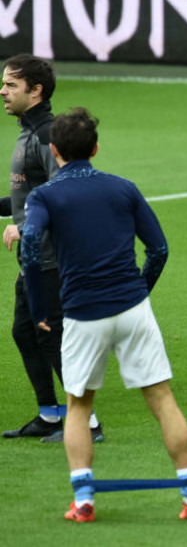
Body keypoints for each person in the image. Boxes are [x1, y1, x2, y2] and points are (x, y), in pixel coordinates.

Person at [20, 108, 187, 522]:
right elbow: (158, 250)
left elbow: (30, 248)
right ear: (96, 148)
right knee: (162, 399)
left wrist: (38, 309)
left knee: (79, 406)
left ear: (54, 150)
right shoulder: (123, 188)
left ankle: (84, 501)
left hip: (83, 314)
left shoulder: (45, 195)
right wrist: (138, 292)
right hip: (132, 308)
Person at [1, 53, 104, 443]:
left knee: (53, 338)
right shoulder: (28, 132)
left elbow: (66, 191)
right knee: (25, 334)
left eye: (11, 84)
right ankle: (49, 414)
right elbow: (27, 195)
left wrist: (24, 229)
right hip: (35, 257)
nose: (3, 91)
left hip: (52, 259)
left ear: (36, 90)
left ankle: (88, 424)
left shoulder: (47, 136)